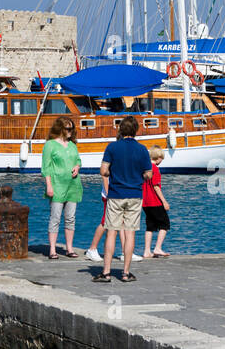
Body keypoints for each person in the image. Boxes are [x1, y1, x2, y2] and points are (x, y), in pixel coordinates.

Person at [93, 116, 152, 283]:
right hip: (134, 194)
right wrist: (139, 175)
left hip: (116, 194)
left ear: (120, 130)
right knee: (130, 233)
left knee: (111, 231)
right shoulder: (142, 150)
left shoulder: (112, 147)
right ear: (135, 130)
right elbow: (149, 174)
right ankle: (126, 273)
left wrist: (113, 173)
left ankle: (106, 272)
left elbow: (103, 171)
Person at [40, 118, 82, 259]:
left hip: (73, 186)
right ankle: (52, 249)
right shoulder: (50, 145)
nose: (70, 132)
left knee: (70, 218)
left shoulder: (72, 145)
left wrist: (77, 166)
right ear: (60, 129)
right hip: (57, 186)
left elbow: (78, 160)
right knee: (55, 218)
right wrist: (49, 186)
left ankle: (69, 248)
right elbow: (46, 167)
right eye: (67, 129)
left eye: (72, 129)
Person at [141, 146, 171, 257]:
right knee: (165, 224)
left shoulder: (144, 169)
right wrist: (164, 201)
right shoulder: (155, 169)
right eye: (161, 158)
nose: (161, 161)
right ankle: (157, 248)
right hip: (155, 202)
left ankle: (146, 251)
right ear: (158, 157)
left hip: (145, 202)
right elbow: (156, 186)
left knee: (150, 226)